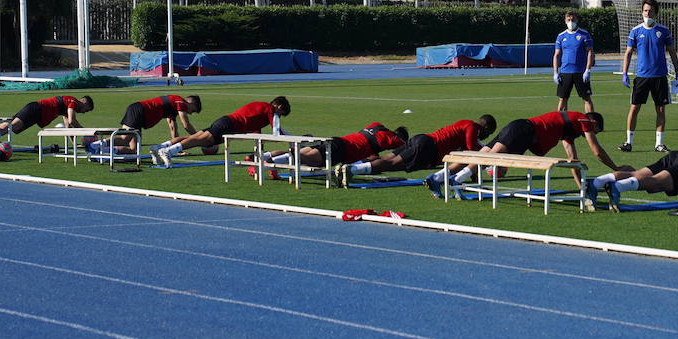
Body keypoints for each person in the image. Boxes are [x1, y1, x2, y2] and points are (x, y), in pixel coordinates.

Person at [424, 109, 615, 198]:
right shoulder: (583, 120)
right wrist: (615, 167)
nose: (590, 133)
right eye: (594, 131)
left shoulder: (569, 129)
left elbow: (572, 160)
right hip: (524, 131)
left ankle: (437, 177)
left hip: (520, 127)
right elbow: (596, 151)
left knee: (483, 153)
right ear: (594, 123)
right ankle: (457, 179)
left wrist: (580, 186)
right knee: (489, 157)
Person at [334, 115, 496, 187]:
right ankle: (352, 169)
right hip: (428, 147)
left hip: (423, 139)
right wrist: (484, 158)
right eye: (489, 133)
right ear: (486, 128)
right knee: (391, 164)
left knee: (388, 159)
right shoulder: (472, 127)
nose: (487, 136)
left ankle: (353, 167)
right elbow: (471, 150)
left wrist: (474, 174)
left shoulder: (464, 124)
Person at [152, 96, 290, 166]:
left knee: (197, 138)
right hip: (229, 125)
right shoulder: (270, 110)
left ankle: (161, 147)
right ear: (278, 106)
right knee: (200, 141)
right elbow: (276, 130)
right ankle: (169, 151)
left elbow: (255, 129)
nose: (279, 116)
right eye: (281, 113)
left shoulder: (262, 110)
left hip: (226, 122)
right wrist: (293, 138)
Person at [619, 0, 678, 152]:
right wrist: (624, 73)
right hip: (642, 77)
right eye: (646, 11)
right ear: (642, 12)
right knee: (634, 109)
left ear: (656, 13)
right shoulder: (635, 31)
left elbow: (672, 52)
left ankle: (659, 144)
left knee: (660, 110)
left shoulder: (664, 31)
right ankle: (628, 142)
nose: (648, 13)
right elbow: (628, 53)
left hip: (660, 76)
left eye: (651, 11)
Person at [255, 122, 409, 175]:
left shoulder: (376, 126)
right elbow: (404, 148)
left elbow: (370, 147)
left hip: (338, 140)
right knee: (308, 160)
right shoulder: (392, 138)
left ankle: (264, 157)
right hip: (343, 151)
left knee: (301, 152)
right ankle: (263, 165)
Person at [99, 94, 201, 155]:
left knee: (134, 151)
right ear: (190, 103)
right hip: (139, 110)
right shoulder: (180, 102)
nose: (191, 113)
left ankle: (101, 150)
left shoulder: (173, 108)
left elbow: (173, 128)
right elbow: (186, 124)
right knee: (125, 139)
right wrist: (199, 138)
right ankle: (96, 146)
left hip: (139, 112)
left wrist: (175, 150)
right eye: (193, 110)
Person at [0, 95, 93, 139]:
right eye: (86, 109)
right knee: (14, 126)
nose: (84, 112)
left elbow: (68, 127)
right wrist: (86, 133)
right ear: (84, 102)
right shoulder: (73, 102)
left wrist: (74, 143)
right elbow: (72, 121)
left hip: (37, 114)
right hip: (36, 109)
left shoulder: (67, 108)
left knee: (10, 127)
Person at [553, 10, 596, 114]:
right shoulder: (561, 36)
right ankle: (561, 123)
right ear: (565, 21)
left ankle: (591, 122)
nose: (571, 22)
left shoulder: (584, 34)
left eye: (573, 20)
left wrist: (587, 70)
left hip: (580, 72)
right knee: (563, 99)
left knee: (586, 98)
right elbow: (556, 55)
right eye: (569, 20)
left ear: (577, 20)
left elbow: (590, 52)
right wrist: (555, 72)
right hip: (565, 72)